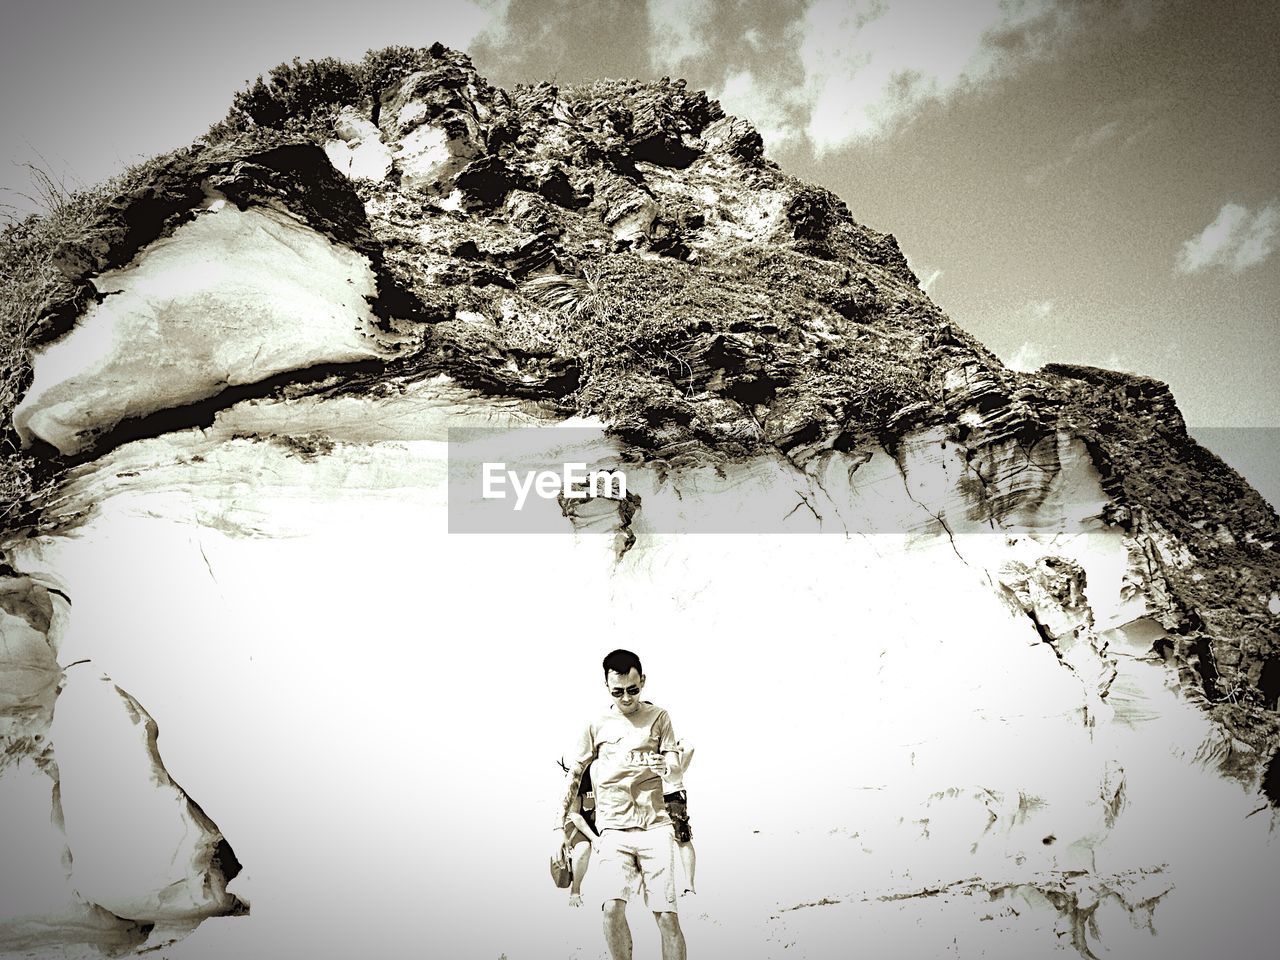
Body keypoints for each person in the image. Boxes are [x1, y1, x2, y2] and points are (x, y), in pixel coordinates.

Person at [554, 649, 688, 960]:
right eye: (617, 692)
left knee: (666, 916)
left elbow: (676, 768)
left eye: (633, 689)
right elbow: (575, 773)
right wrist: (556, 826)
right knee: (612, 909)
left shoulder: (660, 717)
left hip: (655, 826)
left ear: (642, 681)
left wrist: (666, 768)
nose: (626, 698)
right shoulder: (596, 723)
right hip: (613, 829)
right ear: (606, 687)